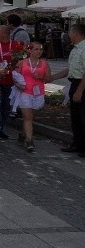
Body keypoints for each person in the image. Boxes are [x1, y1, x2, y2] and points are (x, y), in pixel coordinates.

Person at [53, 24, 85, 155]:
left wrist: (79, 91)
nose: (68, 35)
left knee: (83, 117)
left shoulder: (84, 48)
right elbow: (70, 69)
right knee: (76, 117)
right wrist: (52, 77)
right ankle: (77, 144)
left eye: (70, 32)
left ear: (76, 33)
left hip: (81, 85)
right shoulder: (75, 49)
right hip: (75, 83)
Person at [0, 25, 24, 140]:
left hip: (10, 81)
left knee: (6, 106)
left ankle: (0, 128)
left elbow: (21, 60)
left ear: (4, 34)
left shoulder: (15, 45)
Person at [16, 41, 52, 152]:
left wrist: (42, 77)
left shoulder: (44, 64)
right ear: (29, 50)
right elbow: (15, 76)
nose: (39, 51)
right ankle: (29, 140)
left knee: (30, 117)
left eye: (41, 49)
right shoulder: (22, 62)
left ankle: (23, 134)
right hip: (25, 92)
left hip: (38, 93)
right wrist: (18, 84)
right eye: (36, 49)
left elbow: (48, 78)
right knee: (28, 117)